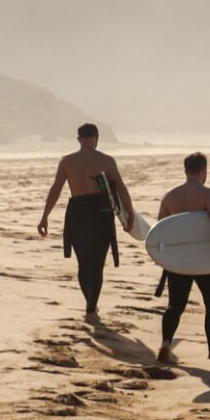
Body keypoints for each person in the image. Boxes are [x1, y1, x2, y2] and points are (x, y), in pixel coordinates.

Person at [35, 123, 134, 322]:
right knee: (97, 264)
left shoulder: (67, 161)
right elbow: (121, 188)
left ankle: (90, 305)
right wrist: (129, 214)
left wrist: (45, 216)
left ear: (79, 139)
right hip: (100, 211)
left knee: (83, 263)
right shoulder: (105, 161)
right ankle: (90, 311)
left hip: (77, 211)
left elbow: (56, 189)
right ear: (96, 138)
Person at [155, 151, 210, 362]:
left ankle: (166, 343)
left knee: (175, 306)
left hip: (179, 260)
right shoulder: (208, 195)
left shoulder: (170, 196)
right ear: (204, 170)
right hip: (205, 258)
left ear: (185, 170)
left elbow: (160, 230)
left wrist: (164, 258)